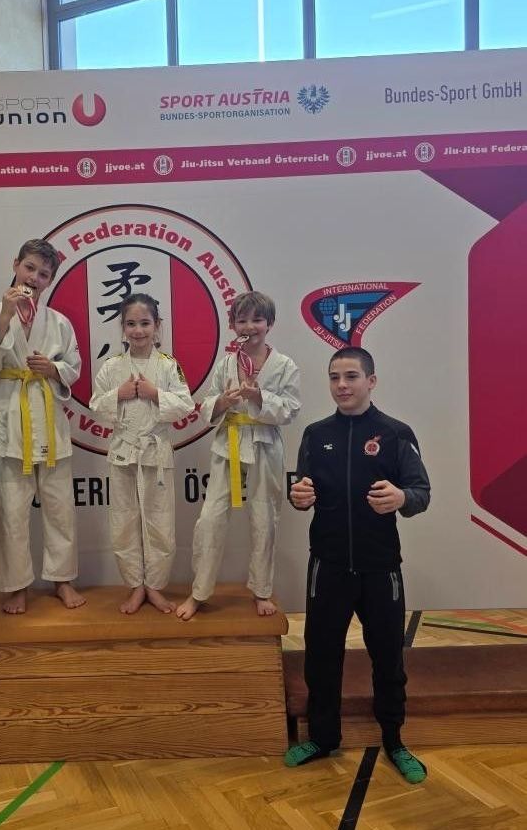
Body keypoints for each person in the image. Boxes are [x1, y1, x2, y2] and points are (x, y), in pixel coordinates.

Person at [285, 346, 431, 784]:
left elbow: (421, 491)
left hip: (379, 567)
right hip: (327, 566)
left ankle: (394, 739)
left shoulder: (396, 433)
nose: (342, 385)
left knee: (388, 657)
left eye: (351, 376)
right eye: (334, 377)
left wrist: (403, 498)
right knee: (321, 658)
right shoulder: (314, 434)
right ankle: (323, 737)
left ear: (371, 380)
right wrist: (298, 497)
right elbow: (299, 488)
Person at [0, 238, 84, 614]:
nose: (34, 278)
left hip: (49, 422)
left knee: (59, 508)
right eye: (30, 268)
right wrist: (5, 316)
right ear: (16, 264)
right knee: (10, 511)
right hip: (8, 420)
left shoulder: (59, 322)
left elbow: (74, 366)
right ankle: (16, 586)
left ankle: (62, 580)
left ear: (50, 280)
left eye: (44, 274)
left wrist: (55, 370)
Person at [176, 291, 300, 620]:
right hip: (228, 441)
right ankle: (199, 592)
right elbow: (206, 405)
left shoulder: (284, 365)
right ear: (232, 325)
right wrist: (223, 402)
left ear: (270, 324)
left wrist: (259, 395)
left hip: (264, 445)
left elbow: (290, 409)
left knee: (264, 517)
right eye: (242, 320)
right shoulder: (227, 364)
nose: (250, 326)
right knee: (211, 519)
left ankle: (261, 590)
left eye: (257, 319)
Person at [90, 293, 194, 614]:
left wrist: (155, 394)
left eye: (145, 323)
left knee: (160, 522)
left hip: (156, 452)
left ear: (157, 326)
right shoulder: (111, 368)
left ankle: (155, 587)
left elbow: (186, 404)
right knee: (123, 521)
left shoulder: (168, 365)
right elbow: (96, 406)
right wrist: (118, 395)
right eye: (131, 324)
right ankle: (135, 587)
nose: (138, 330)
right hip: (123, 452)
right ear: (122, 328)